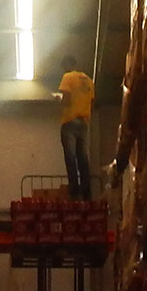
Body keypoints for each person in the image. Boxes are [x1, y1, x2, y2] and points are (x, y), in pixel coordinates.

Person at [57, 57, 94, 199]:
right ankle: (87, 192)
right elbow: (92, 102)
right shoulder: (89, 80)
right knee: (83, 159)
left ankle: (74, 192)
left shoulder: (67, 77)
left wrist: (59, 99)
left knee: (71, 158)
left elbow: (66, 100)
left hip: (70, 121)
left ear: (68, 64)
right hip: (84, 123)